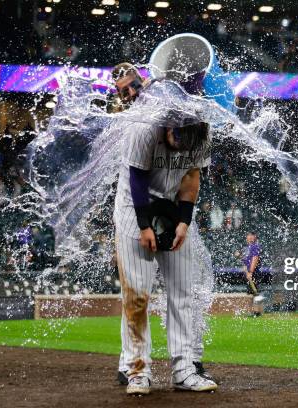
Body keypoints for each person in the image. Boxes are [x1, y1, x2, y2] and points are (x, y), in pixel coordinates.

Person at [111, 63, 216, 388]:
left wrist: (184, 222)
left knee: (183, 293)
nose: (179, 143)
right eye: (175, 137)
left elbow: (191, 177)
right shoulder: (145, 126)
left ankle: (185, 371)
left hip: (172, 207)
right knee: (137, 296)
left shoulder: (201, 130)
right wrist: (145, 227)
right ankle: (137, 372)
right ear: (168, 123)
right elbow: (136, 179)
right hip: (134, 210)